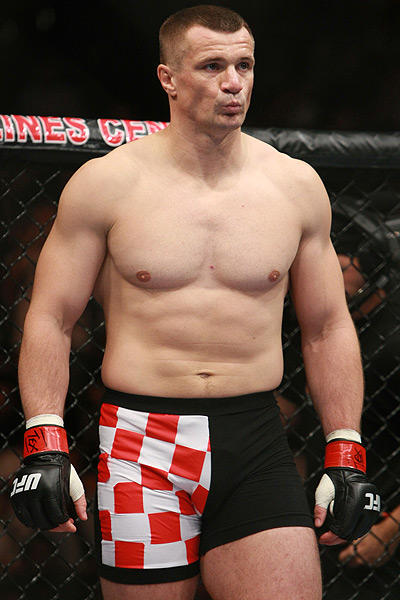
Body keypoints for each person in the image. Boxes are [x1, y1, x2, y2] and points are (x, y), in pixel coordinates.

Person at [10, 5, 380, 600]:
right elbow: (51, 317)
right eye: (212, 66)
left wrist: (346, 447)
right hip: (141, 442)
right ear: (169, 79)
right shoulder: (107, 184)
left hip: (255, 436)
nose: (234, 83)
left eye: (244, 65)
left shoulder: (294, 186)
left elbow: (327, 325)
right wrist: (45, 438)